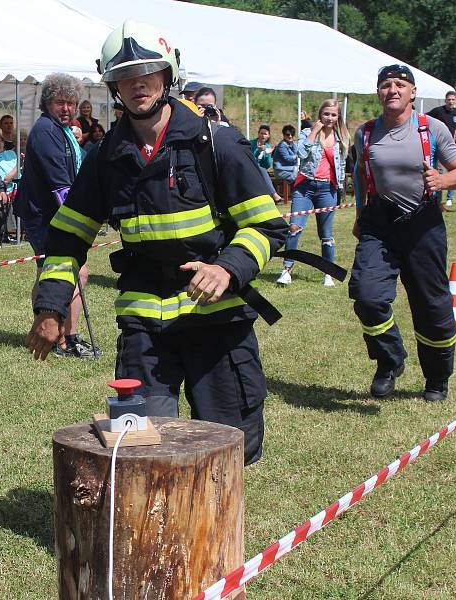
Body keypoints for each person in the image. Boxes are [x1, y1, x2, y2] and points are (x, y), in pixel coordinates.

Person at [25, 21, 288, 465]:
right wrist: (50, 308)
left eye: (148, 70)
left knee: (230, 447)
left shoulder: (216, 143)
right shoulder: (105, 159)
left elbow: (267, 227)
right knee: (139, 449)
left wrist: (225, 268)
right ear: (113, 86)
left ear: (168, 75)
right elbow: (68, 237)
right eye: (124, 75)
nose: (137, 82)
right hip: (144, 328)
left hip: (217, 322)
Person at [349, 64, 456, 402]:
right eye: (386, 85)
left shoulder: (432, 129)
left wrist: (443, 180)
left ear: (413, 93)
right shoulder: (366, 132)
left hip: (423, 223)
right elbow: (360, 173)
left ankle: (437, 377)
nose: (393, 90)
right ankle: (390, 360)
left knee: (431, 305)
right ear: (378, 92)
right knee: (367, 295)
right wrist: (361, 214)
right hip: (379, 222)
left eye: (400, 85)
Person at [15, 72, 98, 359]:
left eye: (71, 103)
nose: (66, 108)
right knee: (70, 273)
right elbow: (60, 184)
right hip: (44, 216)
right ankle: (62, 338)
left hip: (57, 215)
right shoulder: (45, 131)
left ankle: (62, 334)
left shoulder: (63, 131)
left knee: (68, 273)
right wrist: (83, 216)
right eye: (60, 102)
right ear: (47, 103)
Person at [276, 99, 348, 288]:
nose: (329, 118)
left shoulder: (341, 137)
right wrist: (314, 132)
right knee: (294, 229)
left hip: (327, 189)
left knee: (326, 234)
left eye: (333, 114)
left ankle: (328, 273)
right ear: (320, 114)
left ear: (338, 116)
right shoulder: (307, 132)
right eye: (326, 114)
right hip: (305, 188)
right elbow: (299, 154)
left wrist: (339, 189)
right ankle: (286, 271)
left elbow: (341, 165)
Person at [427, 90, 456, 207]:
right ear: (445, 100)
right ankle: (437, 202)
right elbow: (425, 118)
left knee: (453, 172)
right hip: (438, 145)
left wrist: (454, 139)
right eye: (449, 99)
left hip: (450, 147)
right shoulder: (438, 111)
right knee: (439, 173)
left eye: (453, 99)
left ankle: (448, 199)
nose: (451, 102)